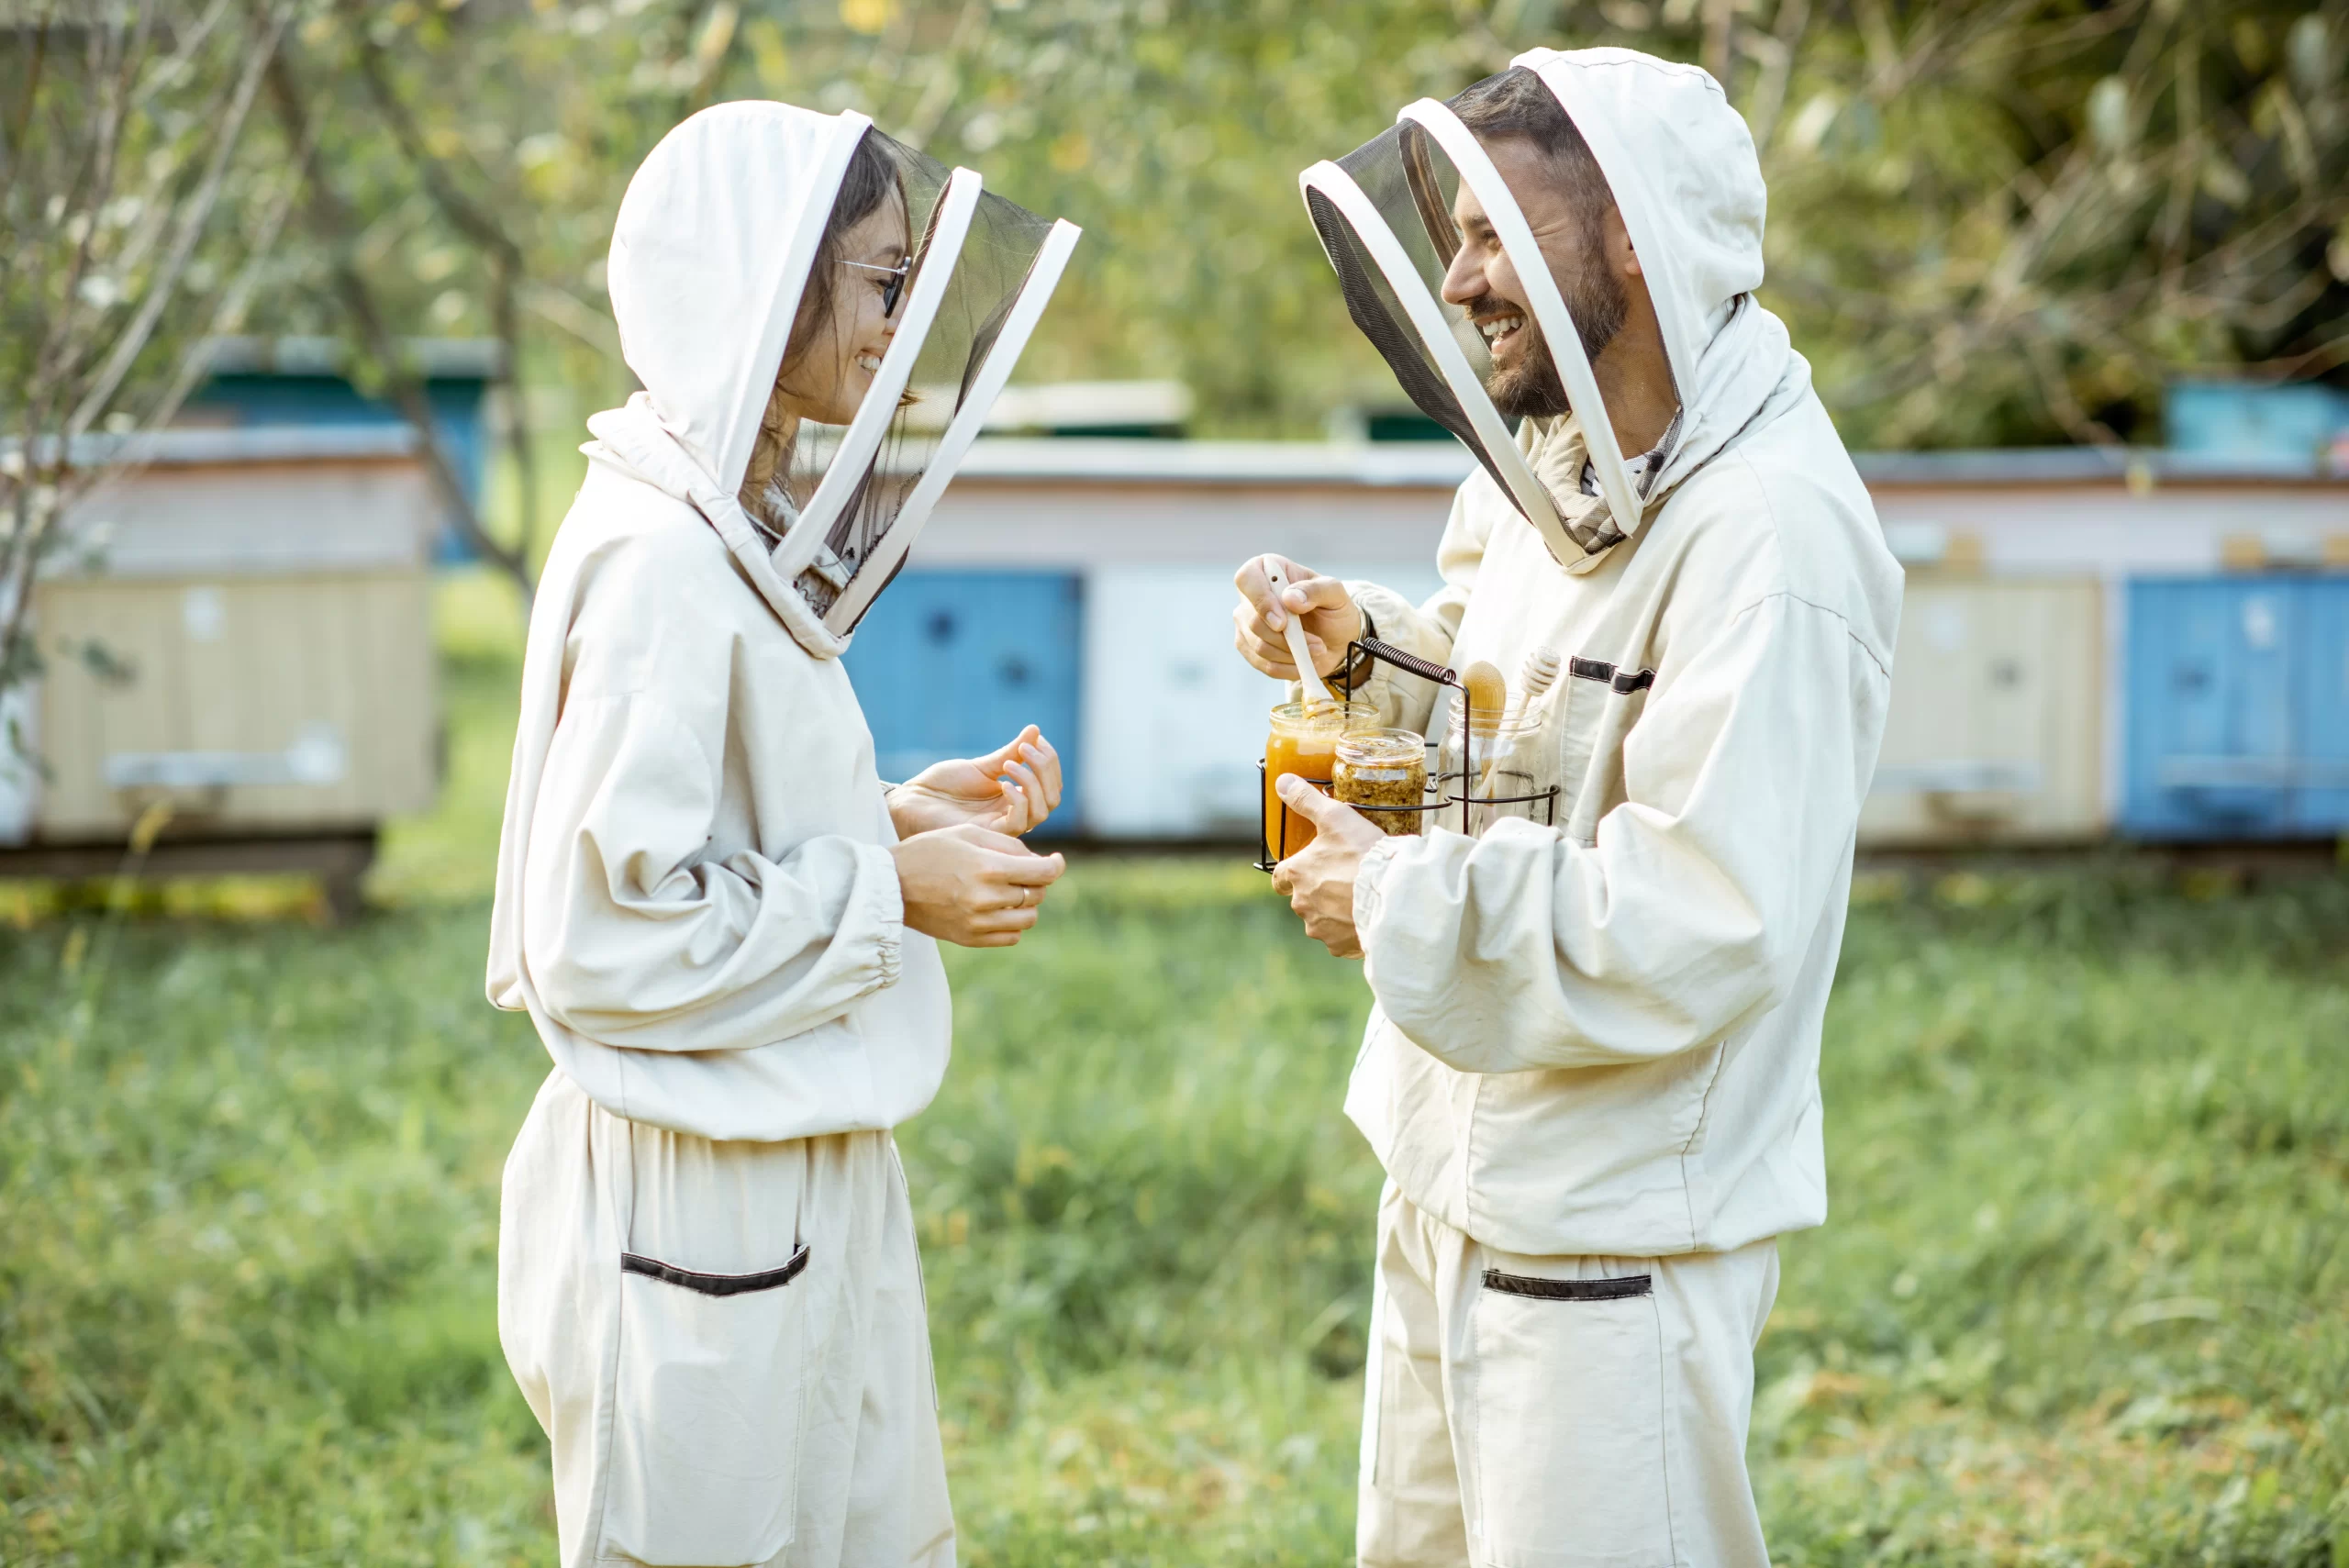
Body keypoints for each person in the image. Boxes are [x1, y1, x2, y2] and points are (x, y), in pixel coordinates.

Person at [1235, 51, 1902, 1568]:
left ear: (1632, 235)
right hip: (1448, 1173)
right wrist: (1366, 651)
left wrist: (1397, 898)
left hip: (1614, 1240)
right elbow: (1506, 715)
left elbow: (1702, 914)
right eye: (1452, 235)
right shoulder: (1553, 456)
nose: (1462, 279)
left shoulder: (1772, 537)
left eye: (1495, 234)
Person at [487, 102, 1073, 1568]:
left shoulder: (714, 516)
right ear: (768, 279)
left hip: (788, 1157)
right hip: (695, 1194)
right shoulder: (661, 562)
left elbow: (707, 832)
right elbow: (604, 937)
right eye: (882, 281)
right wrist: (889, 892)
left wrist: (894, 819)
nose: (900, 324)